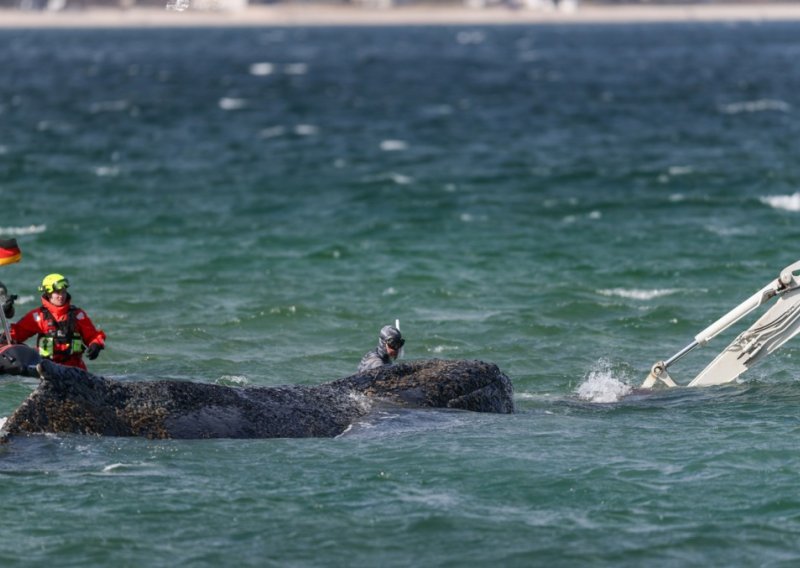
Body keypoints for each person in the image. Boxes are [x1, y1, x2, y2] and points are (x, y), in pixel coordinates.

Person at [10, 273, 106, 370]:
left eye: (63, 292)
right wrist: (4, 339)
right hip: (48, 368)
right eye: (57, 292)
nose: (61, 296)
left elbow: (93, 336)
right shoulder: (38, 316)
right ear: (48, 293)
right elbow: (16, 334)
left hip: (75, 369)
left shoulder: (78, 315)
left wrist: (96, 345)